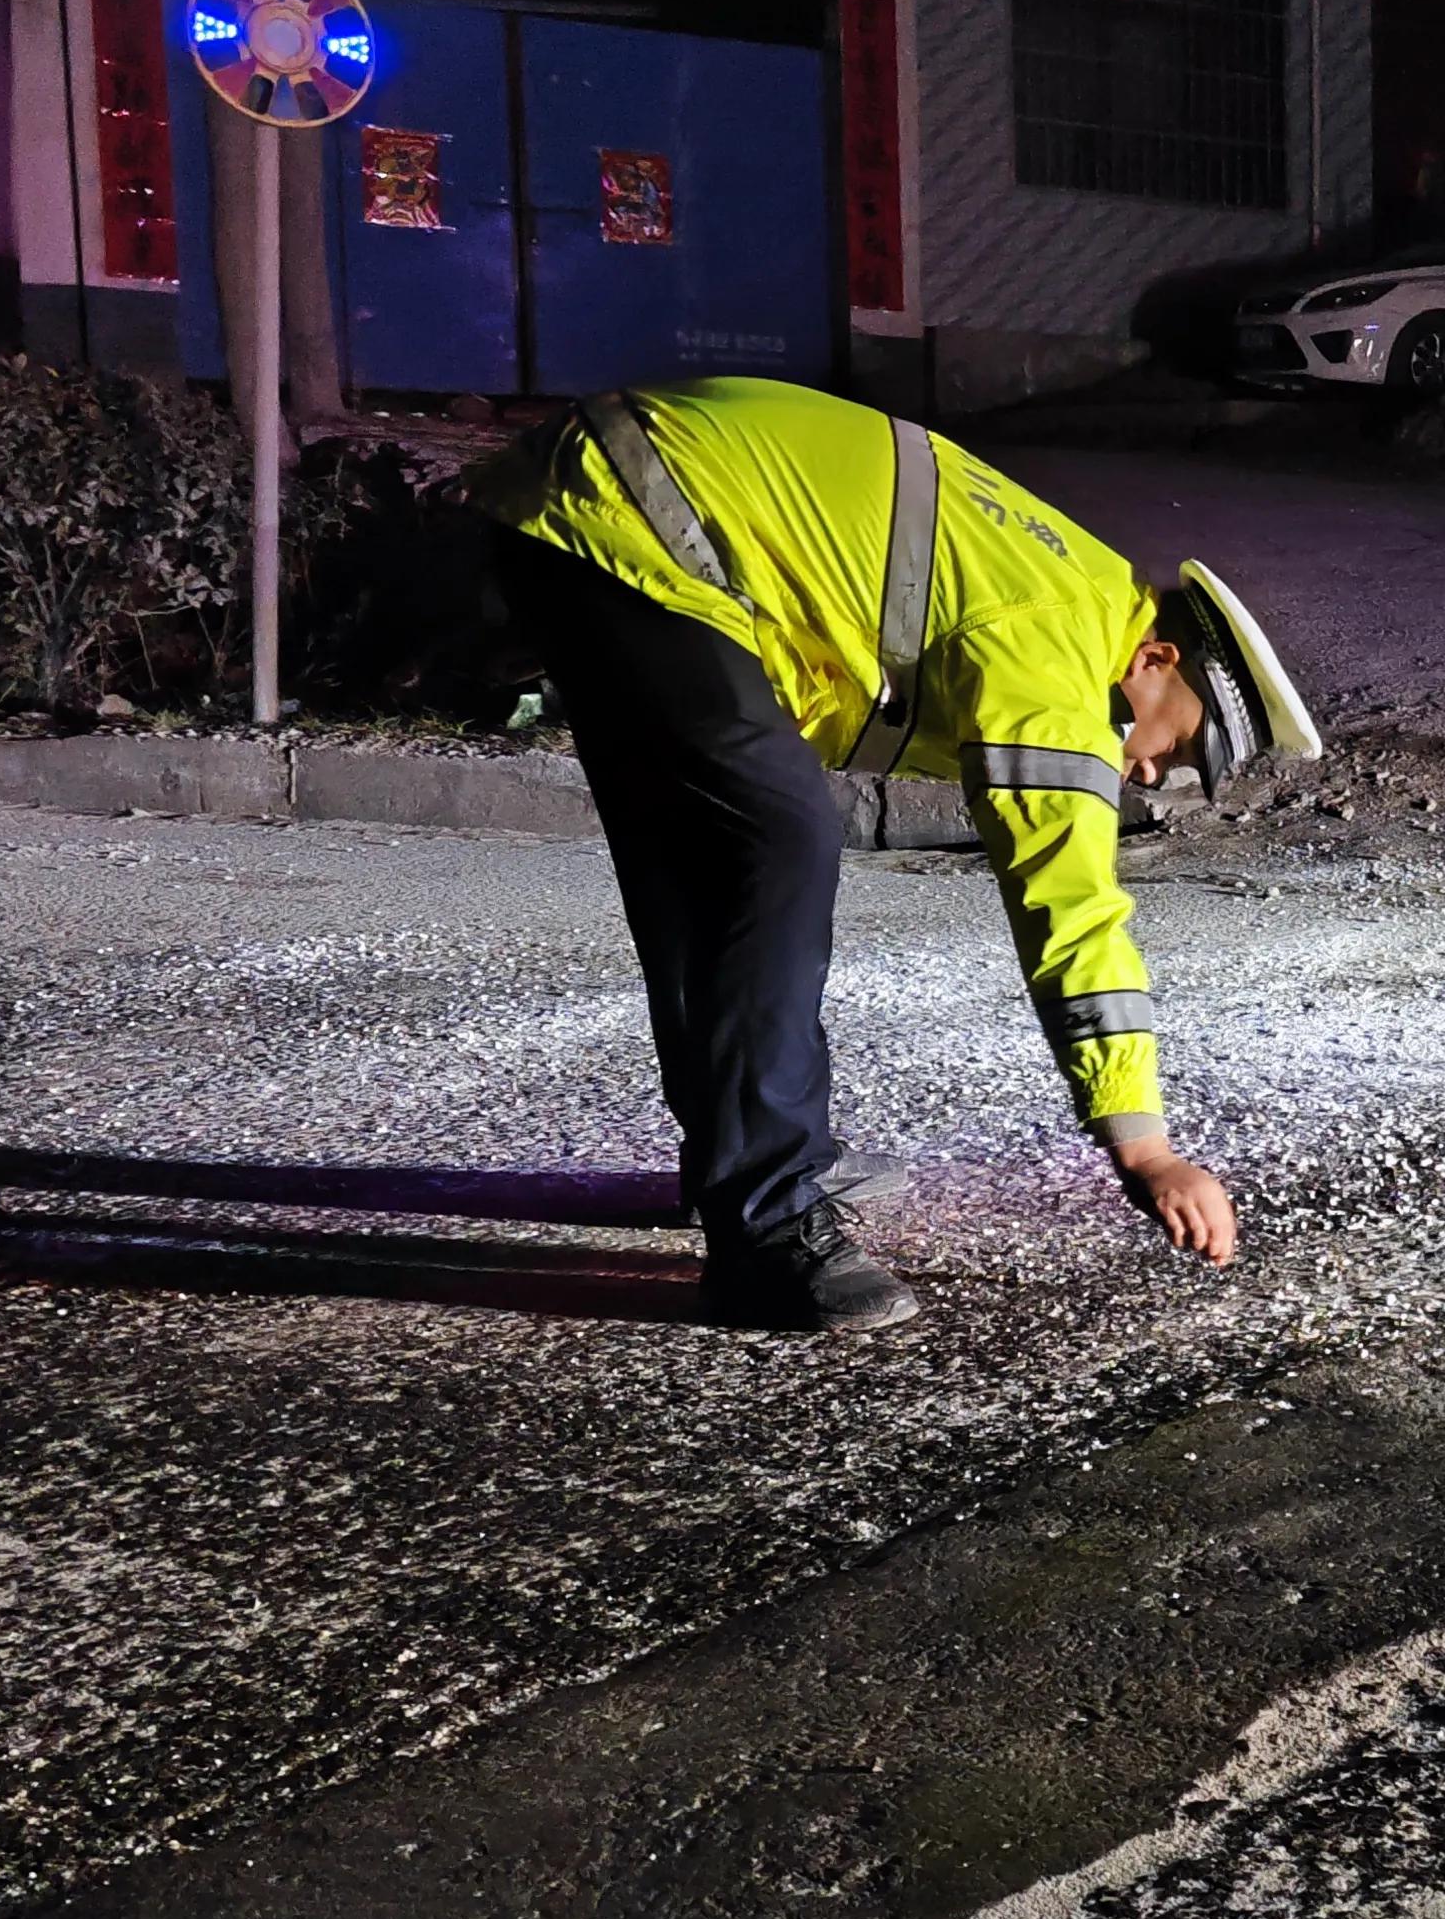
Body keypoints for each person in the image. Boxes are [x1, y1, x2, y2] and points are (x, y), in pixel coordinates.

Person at [472, 375, 1319, 1332]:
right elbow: (1071, 908)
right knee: (774, 840)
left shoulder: (1072, 592)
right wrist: (1146, 1146)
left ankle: (746, 1153)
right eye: (1182, 744)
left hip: (628, 497)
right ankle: (768, 1216)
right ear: (1157, 661)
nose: (1157, 774)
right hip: (640, 511)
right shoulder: (1060, 654)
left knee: (708, 858)